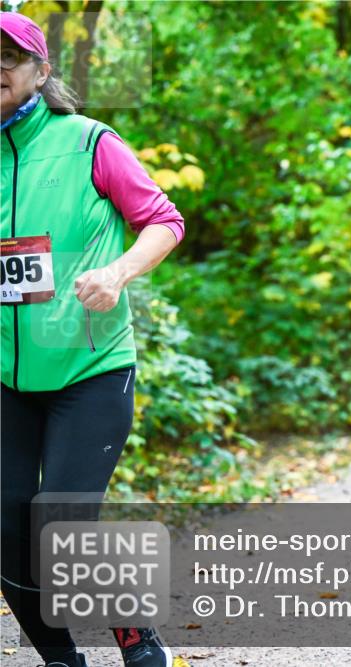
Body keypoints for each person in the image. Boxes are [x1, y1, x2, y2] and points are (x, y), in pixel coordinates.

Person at [1, 13, 182, 667]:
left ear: (41, 72)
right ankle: (60, 658)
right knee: (5, 523)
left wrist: (116, 272)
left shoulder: (88, 142)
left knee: (62, 519)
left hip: (92, 367)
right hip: (6, 376)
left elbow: (163, 221)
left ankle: (138, 639)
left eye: (8, 57)